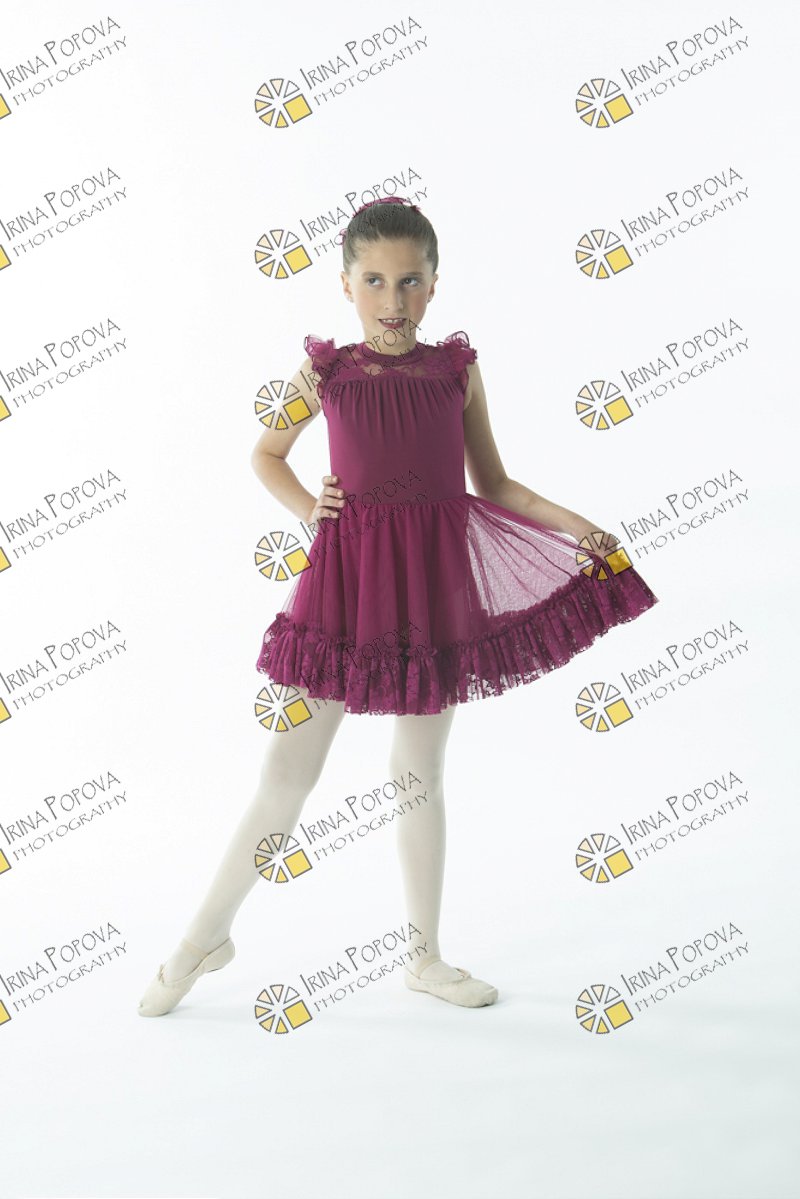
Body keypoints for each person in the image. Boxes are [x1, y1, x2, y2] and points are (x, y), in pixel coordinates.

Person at [138, 197, 659, 1017]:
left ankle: (425, 957)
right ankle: (205, 936)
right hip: (346, 584)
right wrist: (311, 509)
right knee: (287, 771)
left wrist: (580, 527)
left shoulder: (457, 372)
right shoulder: (325, 372)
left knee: (420, 773)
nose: (393, 298)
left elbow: (495, 483)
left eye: (409, 280)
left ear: (434, 285)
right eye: (375, 280)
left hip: (434, 582)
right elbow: (266, 452)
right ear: (346, 285)